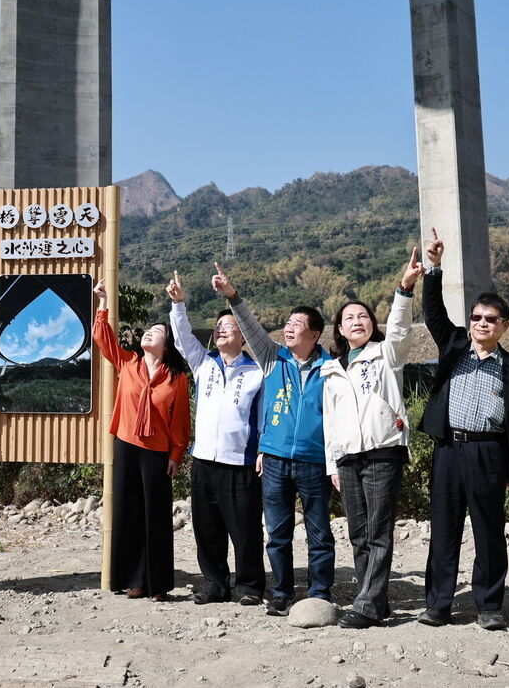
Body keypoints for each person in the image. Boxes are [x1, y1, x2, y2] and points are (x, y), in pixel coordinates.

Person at [417, 229, 509, 631]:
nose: (481, 323)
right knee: (444, 530)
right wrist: (434, 268)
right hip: (449, 449)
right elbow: (433, 313)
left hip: (489, 452)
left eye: (490, 319)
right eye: (476, 317)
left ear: (505, 326)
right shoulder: (453, 346)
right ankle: (438, 604)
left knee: (489, 531)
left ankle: (489, 605)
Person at [213, 262, 336, 616]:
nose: (289, 327)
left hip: (314, 461)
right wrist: (232, 295)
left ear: (315, 334)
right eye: (288, 322)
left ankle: (319, 593)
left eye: (297, 324)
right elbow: (250, 326)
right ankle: (282, 592)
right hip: (276, 459)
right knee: (278, 534)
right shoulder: (272, 358)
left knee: (319, 533)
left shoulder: (331, 369)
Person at [321, 248, 424, 629]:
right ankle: (375, 600)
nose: (357, 321)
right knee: (358, 533)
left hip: (382, 452)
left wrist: (404, 289)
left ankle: (366, 605)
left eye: (363, 316)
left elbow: (399, 328)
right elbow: (330, 423)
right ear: (340, 330)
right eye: (349, 318)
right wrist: (332, 465)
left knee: (378, 532)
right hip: (348, 458)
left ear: (372, 324)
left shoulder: (386, 355)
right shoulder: (331, 370)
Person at [166, 270, 265, 606]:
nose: (222, 330)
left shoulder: (257, 372)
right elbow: (182, 338)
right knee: (207, 528)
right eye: (219, 326)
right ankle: (214, 584)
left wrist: (262, 450)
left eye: (229, 326)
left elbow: (263, 417)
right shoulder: (203, 363)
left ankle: (249, 585)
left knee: (245, 529)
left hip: (240, 462)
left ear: (243, 335)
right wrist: (178, 304)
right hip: (204, 460)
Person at [92, 279, 192, 602]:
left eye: (157, 332)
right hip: (126, 445)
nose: (149, 333)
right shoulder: (128, 363)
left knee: (156, 517)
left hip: (157, 453)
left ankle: (158, 584)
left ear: (167, 346)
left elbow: (180, 420)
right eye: (148, 330)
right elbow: (102, 338)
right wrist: (103, 303)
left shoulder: (176, 377)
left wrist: (176, 454)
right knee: (128, 513)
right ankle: (133, 580)